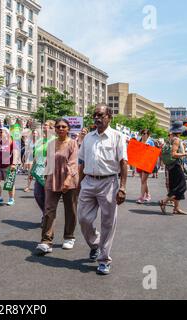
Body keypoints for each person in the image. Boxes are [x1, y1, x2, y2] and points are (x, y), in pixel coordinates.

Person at [77, 103, 128, 275]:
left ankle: (104, 259)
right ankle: (95, 244)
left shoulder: (117, 137)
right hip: (88, 182)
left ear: (109, 117)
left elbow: (123, 163)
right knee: (83, 218)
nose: (97, 118)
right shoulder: (88, 138)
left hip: (109, 183)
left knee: (108, 222)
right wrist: (79, 184)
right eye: (95, 115)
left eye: (101, 115)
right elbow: (81, 162)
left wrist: (122, 187)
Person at [36, 119, 79, 254]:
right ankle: (46, 241)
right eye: (58, 126)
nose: (61, 128)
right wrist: (45, 177)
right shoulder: (51, 144)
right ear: (55, 129)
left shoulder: (72, 143)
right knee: (49, 209)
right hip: (52, 179)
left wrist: (68, 179)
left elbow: (73, 163)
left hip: (69, 180)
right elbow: (48, 162)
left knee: (70, 209)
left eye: (64, 126)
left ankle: (69, 237)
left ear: (68, 129)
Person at [159, 122, 187, 215]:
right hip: (175, 166)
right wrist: (185, 154)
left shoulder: (170, 139)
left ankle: (176, 208)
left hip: (170, 166)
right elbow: (174, 154)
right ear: (180, 131)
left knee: (175, 186)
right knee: (182, 186)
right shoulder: (176, 140)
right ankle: (164, 202)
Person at [0, 127, 20, 206]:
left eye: (2, 132)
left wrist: (14, 164)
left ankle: (11, 198)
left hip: (9, 166)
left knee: (9, 184)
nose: (0, 133)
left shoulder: (12, 143)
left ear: (7, 133)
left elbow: (15, 154)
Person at [136, 129, 155, 204]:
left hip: (147, 163)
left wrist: (148, 148)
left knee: (143, 181)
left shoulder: (150, 142)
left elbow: (154, 153)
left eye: (145, 133)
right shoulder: (139, 141)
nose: (144, 135)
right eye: (143, 133)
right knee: (143, 181)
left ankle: (141, 197)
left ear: (148, 135)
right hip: (139, 163)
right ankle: (148, 195)